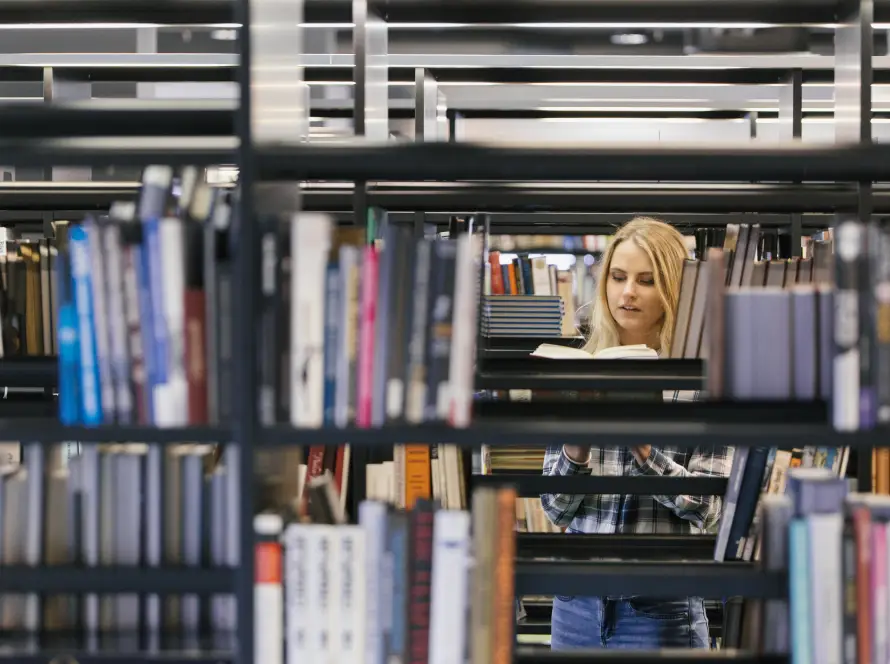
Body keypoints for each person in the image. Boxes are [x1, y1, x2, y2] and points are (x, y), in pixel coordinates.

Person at [541, 216, 734, 651]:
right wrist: (576, 447)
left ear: (671, 290)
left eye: (646, 280)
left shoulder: (706, 381)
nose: (627, 292)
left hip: (659, 608)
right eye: (618, 276)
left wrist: (644, 451)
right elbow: (555, 510)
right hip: (575, 607)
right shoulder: (581, 367)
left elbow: (710, 508)